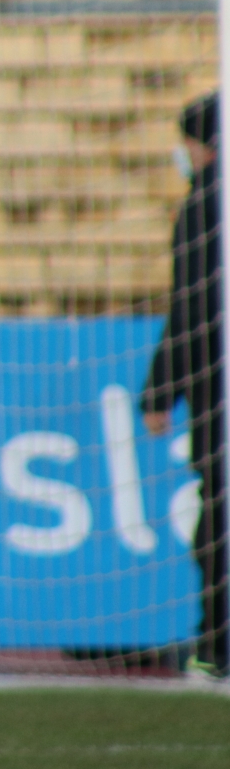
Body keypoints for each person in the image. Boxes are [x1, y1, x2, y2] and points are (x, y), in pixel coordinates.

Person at [143, 90, 225, 679]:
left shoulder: (202, 207)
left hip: (216, 392)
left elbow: (192, 307)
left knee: (218, 516)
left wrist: (158, 391)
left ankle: (217, 647)